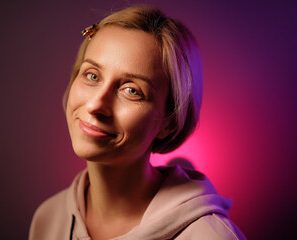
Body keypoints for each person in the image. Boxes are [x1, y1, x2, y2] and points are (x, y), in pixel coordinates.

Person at [29, 5, 246, 240]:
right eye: (92, 75)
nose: (95, 105)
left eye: (131, 90)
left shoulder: (210, 236)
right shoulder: (48, 219)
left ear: (169, 122)